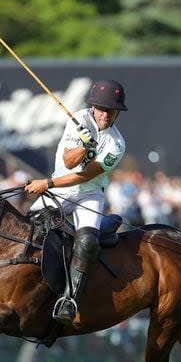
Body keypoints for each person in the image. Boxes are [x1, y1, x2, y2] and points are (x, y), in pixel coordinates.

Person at [25, 80, 128, 324]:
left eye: (111, 110)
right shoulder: (79, 120)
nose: (105, 115)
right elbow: (70, 162)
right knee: (29, 226)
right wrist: (85, 144)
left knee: (88, 241)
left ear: (117, 113)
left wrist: (46, 184)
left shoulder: (117, 144)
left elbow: (85, 175)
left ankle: (70, 299)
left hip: (89, 193)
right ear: (93, 107)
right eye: (102, 109)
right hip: (61, 189)